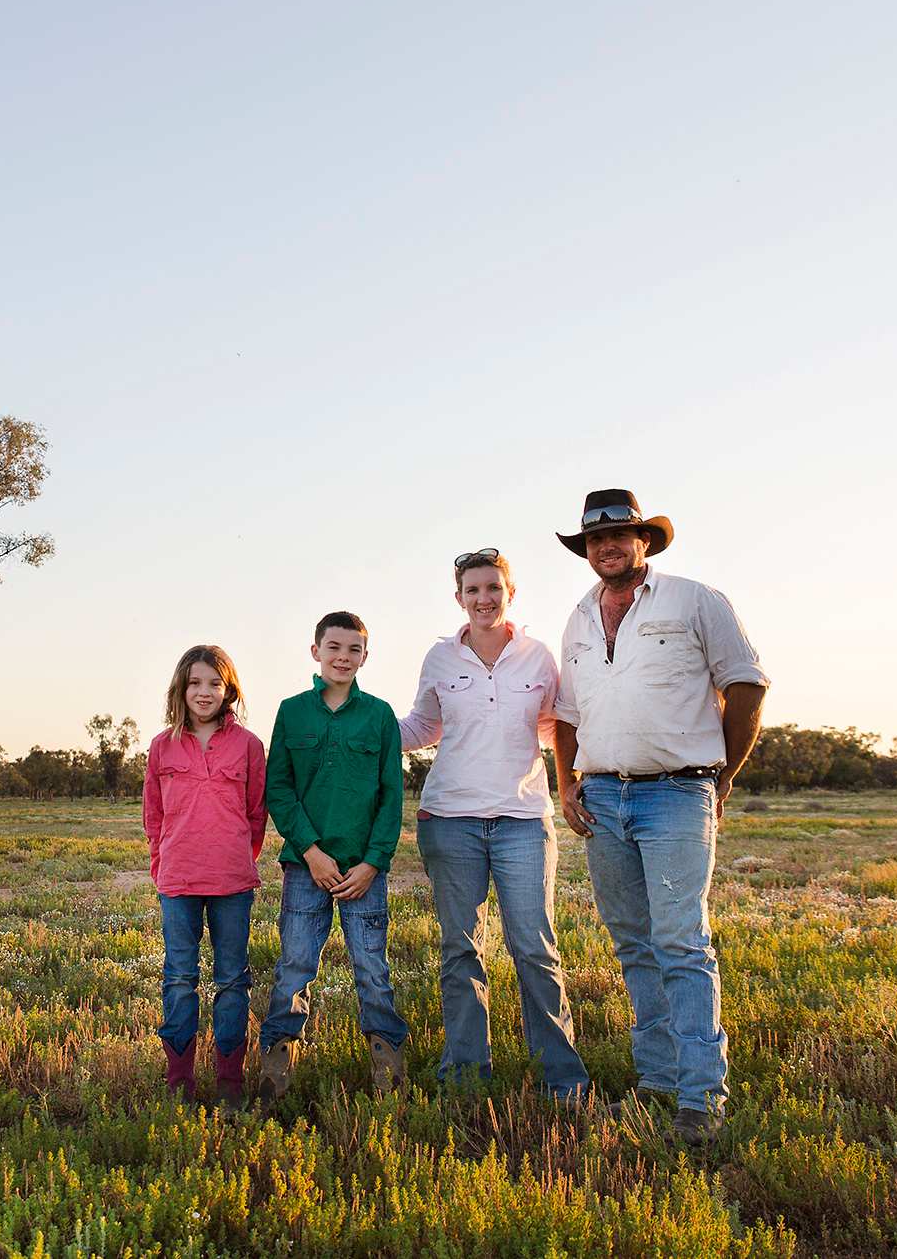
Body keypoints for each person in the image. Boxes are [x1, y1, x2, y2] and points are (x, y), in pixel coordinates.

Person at [549, 490, 768, 1146]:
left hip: (676, 793)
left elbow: (747, 684)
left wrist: (722, 773)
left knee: (681, 943)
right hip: (604, 799)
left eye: (619, 535)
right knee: (634, 943)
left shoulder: (696, 600)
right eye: (594, 539)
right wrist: (566, 783)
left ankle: (701, 1097)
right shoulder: (580, 618)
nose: (607, 547)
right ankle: (657, 1082)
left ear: (644, 540)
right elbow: (567, 714)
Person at [398, 548, 590, 1098]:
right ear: (458, 598)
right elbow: (423, 726)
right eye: (473, 590)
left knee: (534, 947)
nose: (484, 599)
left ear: (510, 593)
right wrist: (362, 726)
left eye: (493, 588)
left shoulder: (538, 658)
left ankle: (562, 1081)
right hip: (450, 818)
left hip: (523, 820)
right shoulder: (439, 658)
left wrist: (587, 765)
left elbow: (558, 729)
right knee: (460, 950)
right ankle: (464, 1077)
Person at [254, 611, 410, 1100]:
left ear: (366, 656)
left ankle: (387, 1063)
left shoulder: (380, 715)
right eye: (334, 648)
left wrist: (373, 861)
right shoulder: (292, 711)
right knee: (295, 962)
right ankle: (278, 1061)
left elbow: (391, 793)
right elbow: (278, 788)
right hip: (307, 867)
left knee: (372, 966)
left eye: (354, 650)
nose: (344, 657)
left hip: (364, 867)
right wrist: (310, 851)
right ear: (316, 651)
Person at [143, 645, 269, 1109]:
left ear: (228, 689)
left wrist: (237, 856)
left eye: (214, 683)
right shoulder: (162, 746)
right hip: (177, 881)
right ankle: (180, 1086)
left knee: (233, 980)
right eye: (195, 683)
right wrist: (164, 862)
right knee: (179, 978)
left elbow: (257, 813)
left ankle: (230, 1087)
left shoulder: (250, 746)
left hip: (232, 882)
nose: (204, 692)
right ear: (181, 688)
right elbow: (153, 815)